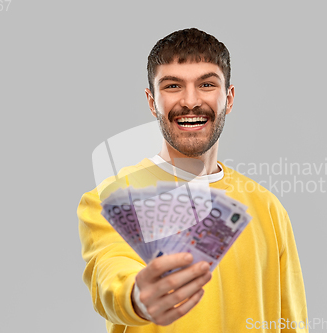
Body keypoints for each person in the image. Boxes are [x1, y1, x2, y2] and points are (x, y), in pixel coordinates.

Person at [78, 27, 309, 332]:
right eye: (173, 85)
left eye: (206, 84)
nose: (190, 101)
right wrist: (138, 298)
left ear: (228, 98)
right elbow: (110, 275)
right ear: (151, 101)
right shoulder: (110, 199)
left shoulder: (267, 208)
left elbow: (290, 323)